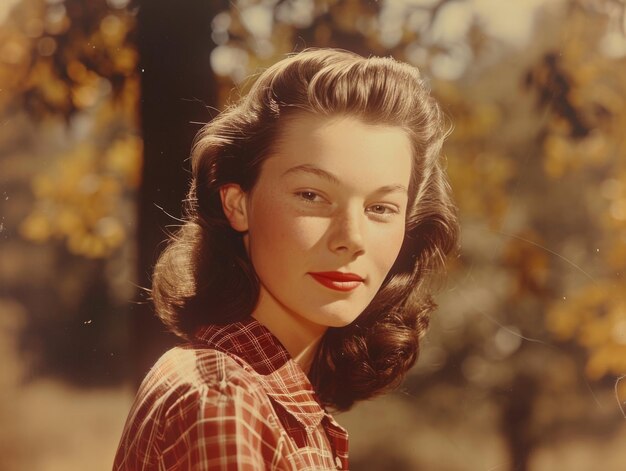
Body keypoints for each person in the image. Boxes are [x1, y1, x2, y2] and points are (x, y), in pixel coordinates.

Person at [113, 47, 458, 470]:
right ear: (237, 204)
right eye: (312, 196)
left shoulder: (275, 400)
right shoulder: (223, 399)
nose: (351, 239)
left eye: (380, 208)